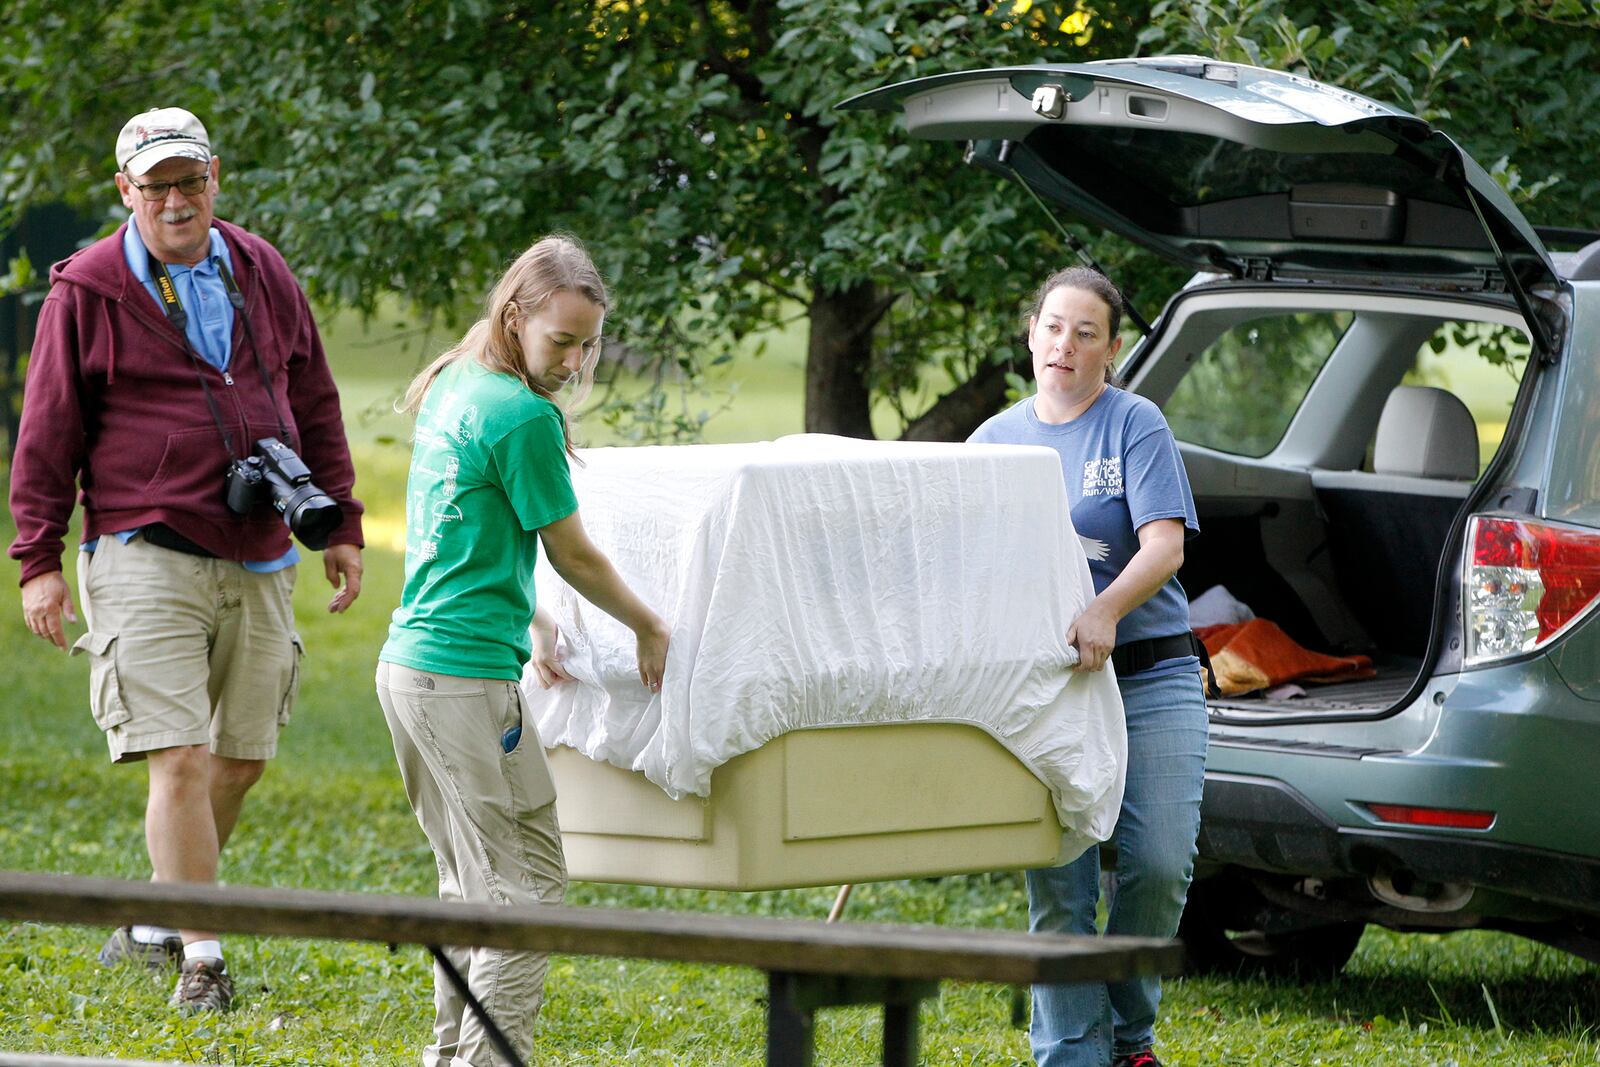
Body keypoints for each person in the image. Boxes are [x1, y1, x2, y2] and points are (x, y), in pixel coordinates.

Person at [8, 106, 365, 1013]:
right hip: (141, 542)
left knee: (237, 762)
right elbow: (48, 432)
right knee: (180, 755)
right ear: (126, 191)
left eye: (189, 180)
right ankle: (203, 958)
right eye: (155, 184)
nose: (175, 199)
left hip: (261, 546)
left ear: (216, 177)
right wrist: (37, 556)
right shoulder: (86, 290)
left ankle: (159, 918)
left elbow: (314, 393)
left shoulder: (260, 266)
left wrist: (344, 521)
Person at [376, 234, 670, 1067]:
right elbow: (573, 552)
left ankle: (449, 1054)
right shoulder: (522, 413)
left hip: (413, 668)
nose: (575, 363)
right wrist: (649, 625)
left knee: (476, 886)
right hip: (460, 679)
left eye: (588, 344)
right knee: (526, 892)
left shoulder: (460, 378)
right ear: (517, 315)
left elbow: (466, 531)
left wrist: (534, 620)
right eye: (561, 341)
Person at [969, 266, 1207, 1067]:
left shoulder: (1135, 424)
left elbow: (1164, 545)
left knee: (1159, 864)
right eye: (1052, 326)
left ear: (1111, 348)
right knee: (1061, 882)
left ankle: (1129, 1034)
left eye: (1085, 332)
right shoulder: (993, 442)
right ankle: (1074, 1054)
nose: (1064, 345)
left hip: (1151, 673)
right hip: (1050, 689)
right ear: (1030, 331)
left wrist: (1105, 609)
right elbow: (961, 559)